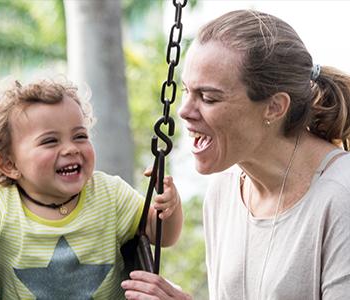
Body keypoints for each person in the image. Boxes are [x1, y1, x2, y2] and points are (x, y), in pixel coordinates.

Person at [121, 9, 350, 300]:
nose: (183, 111)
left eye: (208, 97)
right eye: (186, 91)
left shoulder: (341, 197)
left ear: (274, 107)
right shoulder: (224, 191)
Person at [0, 78, 184, 299]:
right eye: (50, 141)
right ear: (9, 164)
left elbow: (162, 235)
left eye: (80, 136)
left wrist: (169, 207)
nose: (70, 148)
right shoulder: (0, 208)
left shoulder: (110, 194)